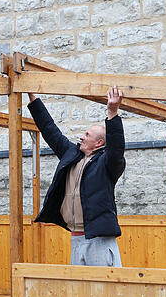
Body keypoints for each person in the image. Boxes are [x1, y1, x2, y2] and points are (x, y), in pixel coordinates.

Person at [26, 86, 125, 266]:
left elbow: (116, 148)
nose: (81, 137)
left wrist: (112, 112)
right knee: (78, 284)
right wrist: (31, 96)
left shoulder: (107, 164)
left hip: (99, 240)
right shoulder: (71, 154)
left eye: (87, 135)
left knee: (102, 284)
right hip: (76, 238)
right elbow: (49, 129)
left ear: (99, 143)